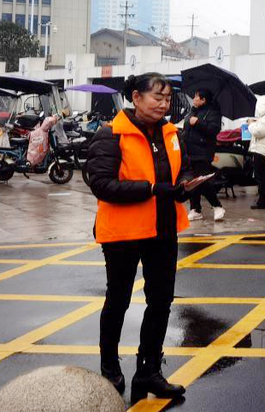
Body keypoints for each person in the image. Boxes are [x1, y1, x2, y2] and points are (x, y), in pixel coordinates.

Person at [86, 73, 190, 403]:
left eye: (168, 98)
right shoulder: (111, 134)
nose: (163, 103)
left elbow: (180, 169)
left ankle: (149, 370)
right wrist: (150, 189)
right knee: (118, 300)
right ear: (136, 97)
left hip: (163, 229)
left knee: (161, 302)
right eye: (156, 97)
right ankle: (109, 365)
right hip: (124, 234)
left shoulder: (172, 133)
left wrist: (188, 183)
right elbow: (101, 184)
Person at [181, 88, 225, 222]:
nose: (193, 99)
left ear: (203, 99)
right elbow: (186, 126)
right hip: (189, 151)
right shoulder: (193, 111)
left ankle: (217, 206)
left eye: (196, 97)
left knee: (201, 180)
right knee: (193, 182)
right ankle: (195, 209)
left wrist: (198, 123)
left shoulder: (213, 112)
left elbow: (213, 130)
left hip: (203, 152)